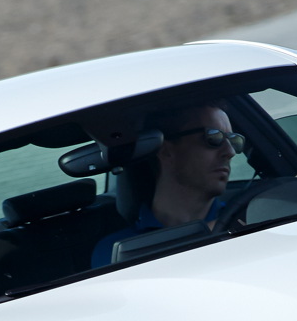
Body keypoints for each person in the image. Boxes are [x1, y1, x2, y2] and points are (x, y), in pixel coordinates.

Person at [90, 103, 244, 267]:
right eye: (214, 138)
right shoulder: (113, 251)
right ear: (166, 151)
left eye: (234, 140)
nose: (230, 152)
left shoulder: (245, 219)